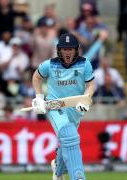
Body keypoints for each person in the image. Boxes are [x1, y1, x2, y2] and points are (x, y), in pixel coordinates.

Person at [31, 33, 95, 180]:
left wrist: (86, 98)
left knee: (67, 141)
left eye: (70, 49)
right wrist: (39, 97)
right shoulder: (50, 64)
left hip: (75, 109)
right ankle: (78, 177)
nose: (68, 52)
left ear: (76, 49)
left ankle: (57, 171)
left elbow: (90, 85)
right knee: (69, 136)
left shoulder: (85, 64)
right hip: (55, 106)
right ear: (59, 50)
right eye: (65, 49)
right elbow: (36, 77)